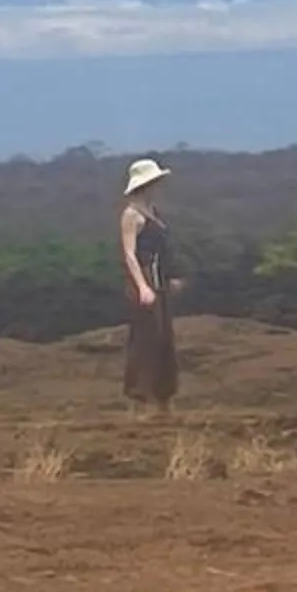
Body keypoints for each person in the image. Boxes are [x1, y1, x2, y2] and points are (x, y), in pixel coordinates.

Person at [117, 157, 179, 409]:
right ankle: (140, 396)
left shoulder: (153, 212)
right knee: (146, 338)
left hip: (158, 279)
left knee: (164, 337)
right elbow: (129, 253)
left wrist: (169, 278)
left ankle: (162, 395)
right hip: (143, 279)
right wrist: (142, 286)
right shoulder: (131, 214)